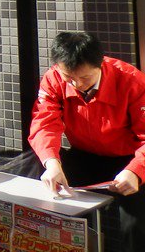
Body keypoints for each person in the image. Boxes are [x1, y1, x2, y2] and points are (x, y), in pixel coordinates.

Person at [25, 32, 145, 251]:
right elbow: (44, 122)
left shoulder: (131, 80)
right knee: (40, 187)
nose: (77, 84)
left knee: (135, 223)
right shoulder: (53, 79)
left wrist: (137, 170)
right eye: (69, 78)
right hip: (83, 154)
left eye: (85, 78)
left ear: (100, 64)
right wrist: (51, 162)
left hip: (128, 160)